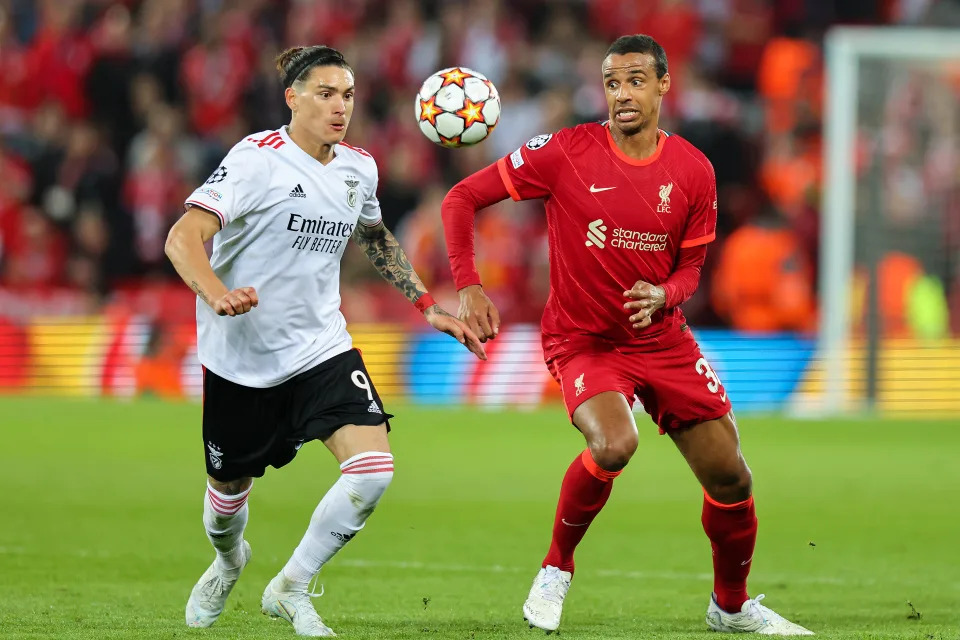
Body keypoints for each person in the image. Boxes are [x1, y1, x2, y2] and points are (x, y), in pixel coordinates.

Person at [441, 35, 813, 636]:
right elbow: (462, 198)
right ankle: (555, 569)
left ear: (664, 85)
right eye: (612, 82)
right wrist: (469, 286)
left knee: (731, 476)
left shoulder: (693, 170)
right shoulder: (564, 152)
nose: (622, 94)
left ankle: (731, 606)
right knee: (615, 444)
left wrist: (664, 294)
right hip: (584, 339)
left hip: (662, 340)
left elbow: (691, 269)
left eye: (636, 80)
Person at [165, 45, 485, 637]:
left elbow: (374, 236)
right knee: (226, 499)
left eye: (348, 95)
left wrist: (426, 304)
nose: (341, 107)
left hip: (321, 348)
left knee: (373, 470)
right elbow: (183, 238)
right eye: (326, 94)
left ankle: (290, 586)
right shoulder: (256, 160)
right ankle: (230, 560)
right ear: (292, 97)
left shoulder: (358, 167)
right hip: (240, 359)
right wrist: (215, 293)